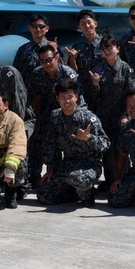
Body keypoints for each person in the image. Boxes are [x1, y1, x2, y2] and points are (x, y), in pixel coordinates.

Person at [37, 78, 109, 207]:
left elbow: (105, 144)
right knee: (44, 194)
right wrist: (51, 169)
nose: (67, 101)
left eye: (70, 97)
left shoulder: (88, 117)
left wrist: (89, 138)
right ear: (57, 99)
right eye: (63, 97)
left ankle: (87, 195)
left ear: (76, 97)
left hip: (90, 165)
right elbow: (50, 145)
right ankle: (77, 193)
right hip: (68, 164)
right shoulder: (55, 117)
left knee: (78, 179)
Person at [86, 34, 135, 193]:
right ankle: (109, 181)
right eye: (104, 49)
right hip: (103, 116)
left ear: (118, 49)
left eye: (110, 47)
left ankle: (123, 179)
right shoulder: (98, 68)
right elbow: (93, 97)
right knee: (106, 149)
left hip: (120, 116)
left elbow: (131, 94)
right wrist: (94, 84)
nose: (107, 51)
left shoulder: (126, 69)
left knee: (120, 149)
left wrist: (126, 115)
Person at [26, 44, 81, 189]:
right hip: (49, 114)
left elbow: (78, 99)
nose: (47, 64)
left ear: (57, 57)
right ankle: (36, 176)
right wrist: (38, 121)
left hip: (71, 113)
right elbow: (37, 98)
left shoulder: (68, 73)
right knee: (37, 141)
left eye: (49, 60)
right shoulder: (37, 73)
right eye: (43, 61)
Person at [14, 14, 68, 88]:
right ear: (30, 28)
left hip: (49, 92)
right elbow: (17, 72)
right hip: (29, 92)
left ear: (47, 28)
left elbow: (63, 69)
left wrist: (55, 52)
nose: (38, 29)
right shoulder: (23, 50)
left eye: (41, 26)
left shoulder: (52, 47)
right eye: (34, 26)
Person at [66, 9, 103, 108]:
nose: (87, 26)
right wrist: (73, 58)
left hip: (103, 93)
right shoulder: (77, 47)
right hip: (84, 95)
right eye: (83, 24)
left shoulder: (106, 44)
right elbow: (73, 72)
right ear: (79, 27)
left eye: (89, 22)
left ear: (95, 24)